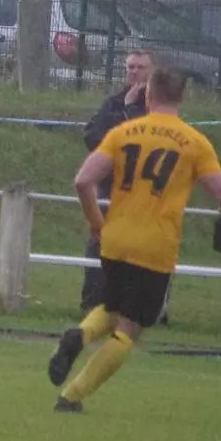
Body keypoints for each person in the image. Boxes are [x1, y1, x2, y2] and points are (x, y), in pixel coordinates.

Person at [51, 69, 221, 412]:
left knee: (112, 307)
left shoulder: (123, 132)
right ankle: (72, 397)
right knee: (131, 326)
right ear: (182, 98)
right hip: (156, 245)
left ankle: (81, 335)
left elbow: (83, 181)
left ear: (147, 95)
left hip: (115, 238)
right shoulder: (194, 142)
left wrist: (96, 222)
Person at [77, 51, 154, 312]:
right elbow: (93, 138)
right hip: (111, 186)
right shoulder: (113, 103)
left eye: (140, 67)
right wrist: (123, 109)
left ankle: (144, 306)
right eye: (130, 67)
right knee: (99, 242)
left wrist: (130, 110)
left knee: (144, 246)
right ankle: (93, 302)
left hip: (145, 189)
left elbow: (141, 143)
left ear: (151, 71)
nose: (134, 72)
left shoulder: (158, 108)